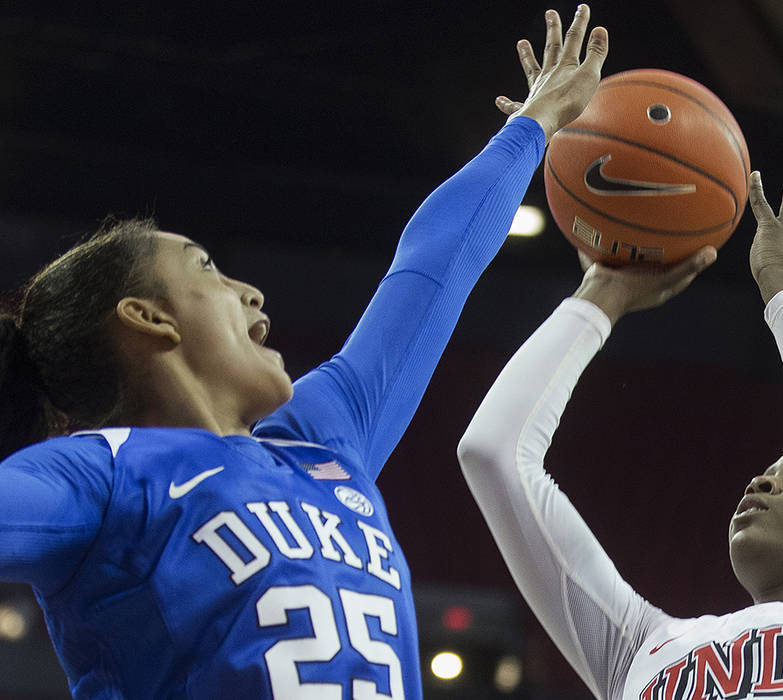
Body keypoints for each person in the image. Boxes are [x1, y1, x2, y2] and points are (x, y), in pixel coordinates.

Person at [0, 6, 607, 699]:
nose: (250, 291)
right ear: (147, 318)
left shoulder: (320, 442)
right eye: (207, 269)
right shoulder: (99, 476)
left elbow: (433, 267)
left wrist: (532, 128)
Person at [458, 172, 783, 699]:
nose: (761, 483)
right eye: (774, 472)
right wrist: (599, 297)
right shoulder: (642, 647)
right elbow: (492, 454)